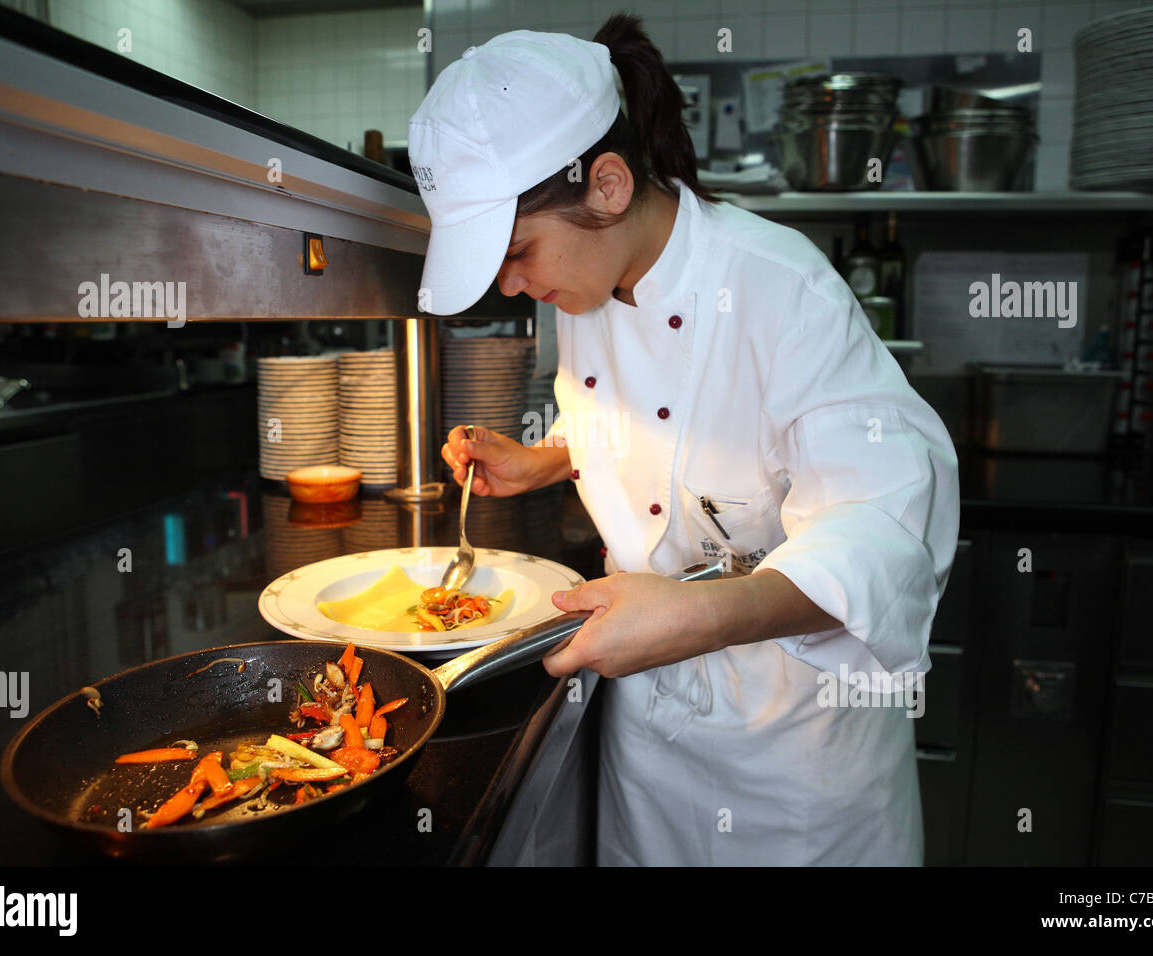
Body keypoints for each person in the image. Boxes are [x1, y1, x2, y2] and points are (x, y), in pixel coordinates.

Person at [408, 16, 960, 865]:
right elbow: (666, 420)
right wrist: (552, 457)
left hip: (796, 762)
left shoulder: (781, 286)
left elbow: (885, 532)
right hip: (652, 744)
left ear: (609, 186)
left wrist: (698, 615)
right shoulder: (590, 282)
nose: (509, 284)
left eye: (517, 252)